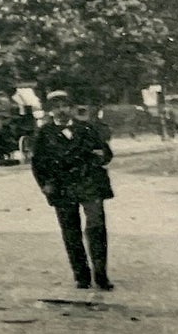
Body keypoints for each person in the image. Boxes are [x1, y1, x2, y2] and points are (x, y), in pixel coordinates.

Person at [30, 90, 116, 291]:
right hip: (62, 187)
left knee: (96, 226)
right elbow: (38, 163)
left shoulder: (87, 128)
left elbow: (106, 153)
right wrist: (45, 184)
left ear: (71, 108)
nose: (61, 111)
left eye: (65, 106)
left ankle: (101, 275)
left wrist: (100, 155)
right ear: (50, 111)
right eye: (56, 107)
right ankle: (81, 276)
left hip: (89, 185)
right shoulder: (44, 134)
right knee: (71, 232)